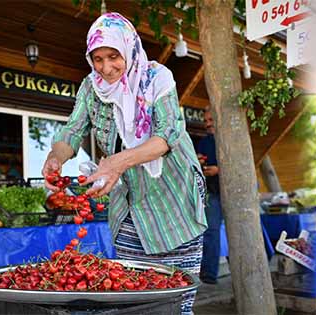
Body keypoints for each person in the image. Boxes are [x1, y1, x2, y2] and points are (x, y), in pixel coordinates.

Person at [41, 12, 207, 314]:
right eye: (98, 58)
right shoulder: (91, 87)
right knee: (135, 298)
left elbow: (166, 136)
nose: (106, 68)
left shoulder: (157, 78)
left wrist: (117, 163)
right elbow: (73, 130)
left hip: (173, 200)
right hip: (130, 203)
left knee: (175, 300)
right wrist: (56, 157)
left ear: (128, 48)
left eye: (113, 56)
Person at [196, 108, 223, 284]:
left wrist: (219, 170)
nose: (208, 124)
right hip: (212, 191)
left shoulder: (230, 140)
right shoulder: (203, 142)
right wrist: (199, 163)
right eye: (205, 121)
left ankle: (266, 257)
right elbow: (197, 163)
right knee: (211, 231)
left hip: (234, 193)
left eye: (211, 119)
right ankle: (208, 275)